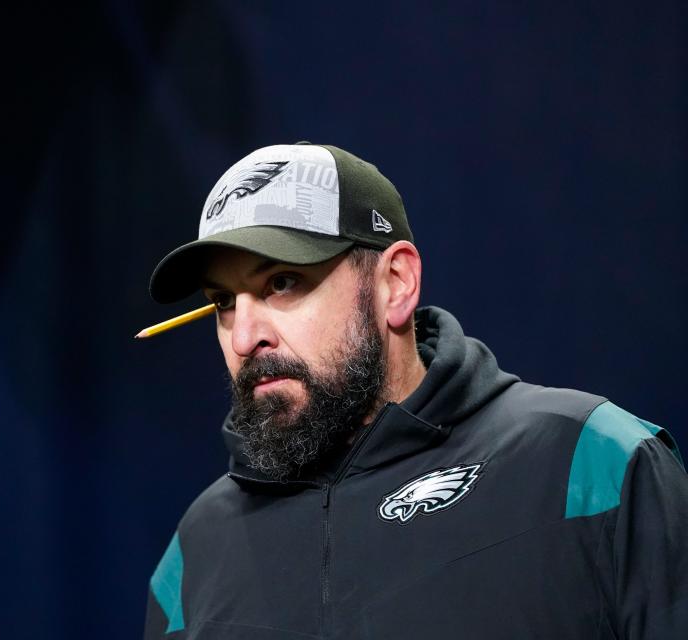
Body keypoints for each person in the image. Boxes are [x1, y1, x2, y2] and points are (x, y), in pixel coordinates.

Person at [142, 142, 688, 639]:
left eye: (282, 282)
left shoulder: (590, 463)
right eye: (224, 302)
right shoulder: (196, 551)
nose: (244, 337)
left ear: (395, 283)